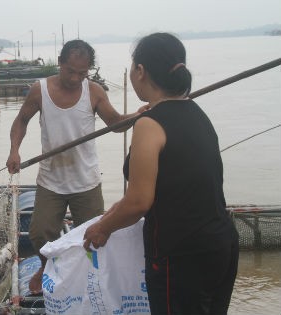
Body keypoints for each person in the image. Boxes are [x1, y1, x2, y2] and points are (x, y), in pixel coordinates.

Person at [83, 32, 239, 315]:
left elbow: (140, 202)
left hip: (181, 253)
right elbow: (175, 184)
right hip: (221, 245)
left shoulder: (149, 124)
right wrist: (115, 211)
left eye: (133, 67)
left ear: (140, 71)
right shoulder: (198, 113)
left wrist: (101, 229)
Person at [6, 39, 148, 295]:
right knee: (39, 234)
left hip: (86, 180)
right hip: (51, 179)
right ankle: (44, 267)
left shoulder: (93, 91)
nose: (75, 78)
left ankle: (89, 279)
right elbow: (21, 121)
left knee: (95, 236)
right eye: (70, 71)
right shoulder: (40, 90)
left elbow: (115, 123)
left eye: (82, 73)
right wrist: (14, 150)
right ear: (60, 64)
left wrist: (139, 116)